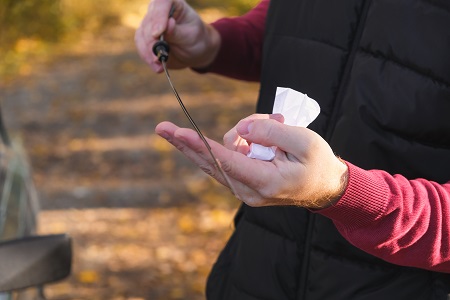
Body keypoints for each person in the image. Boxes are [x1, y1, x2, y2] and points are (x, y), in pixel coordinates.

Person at [136, 0, 450, 299]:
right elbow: (294, 28)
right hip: (258, 270)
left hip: (403, 286)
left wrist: (344, 191)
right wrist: (213, 43)